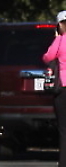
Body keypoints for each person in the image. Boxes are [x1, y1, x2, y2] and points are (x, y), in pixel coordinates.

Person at [43, 10, 66, 167]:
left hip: (63, 88)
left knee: (64, 129)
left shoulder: (60, 40)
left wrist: (57, 38)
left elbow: (47, 57)